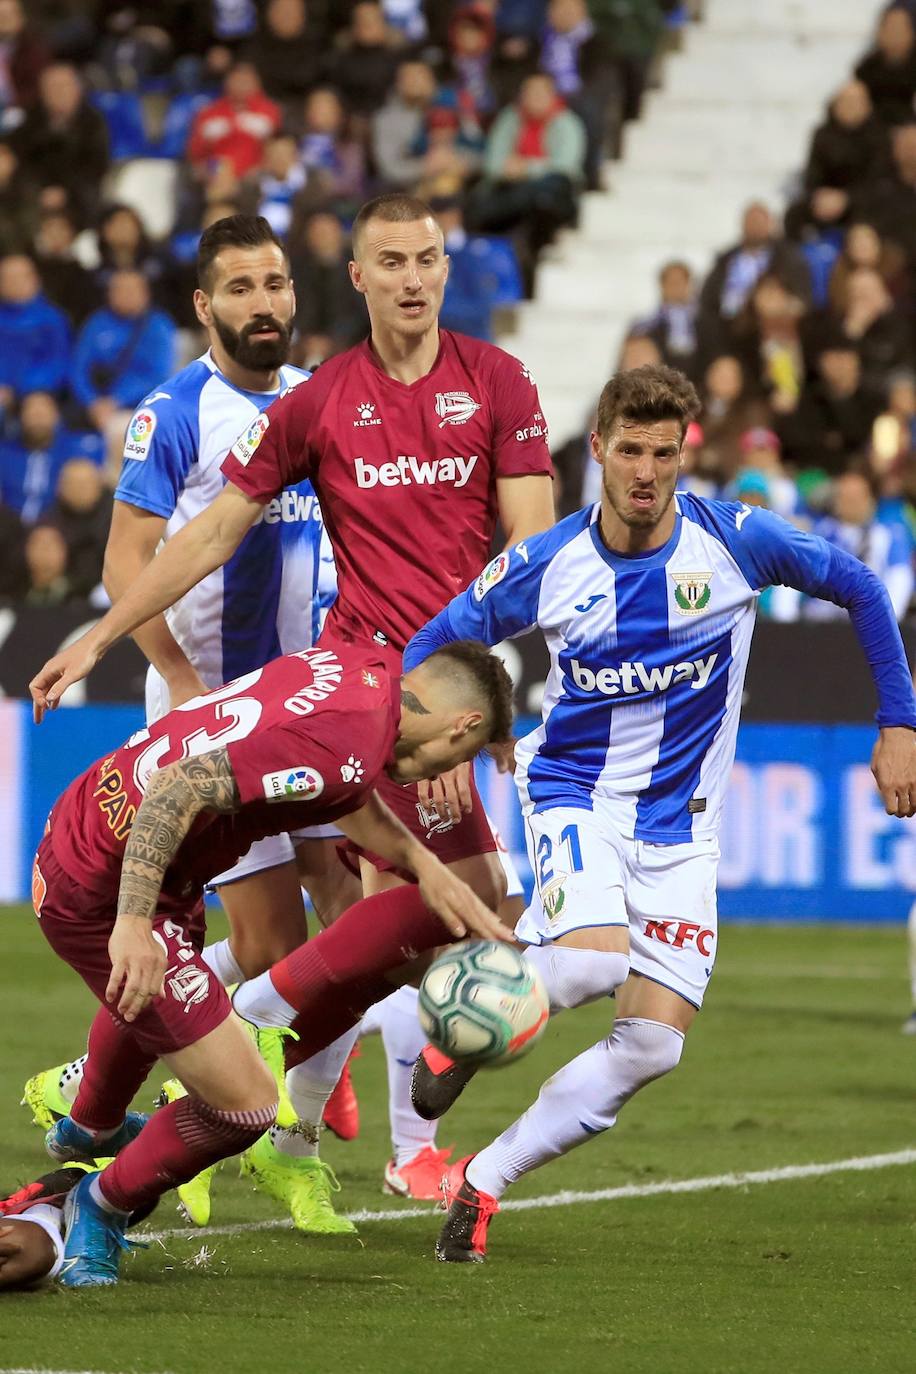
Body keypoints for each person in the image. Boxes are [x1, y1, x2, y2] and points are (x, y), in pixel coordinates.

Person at [28, 191, 556, 1214]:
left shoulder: (496, 381)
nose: (411, 277)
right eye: (389, 261)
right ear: (357, 278)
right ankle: (262, 1089)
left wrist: (483, 696)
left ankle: (231, 1102)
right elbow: (209, 533)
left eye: (428, 259)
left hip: (394, 693)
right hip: (341, 695)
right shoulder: (305, 405)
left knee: (372, 909)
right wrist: (102, 633)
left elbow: (527, 556)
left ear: (449, 269)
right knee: (435, 903)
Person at [388, 362, 916, 1262]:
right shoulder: (549, 563)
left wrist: (900, 723)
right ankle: (455, 1033)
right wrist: (436, 744)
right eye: (628, 450)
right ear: (596, 449)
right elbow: (435, 641)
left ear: (684, 455)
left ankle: (485, 1180)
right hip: (572, 796)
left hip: (683, 831)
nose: (644, 470)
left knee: (650, 1049)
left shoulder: (738, 542)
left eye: (663, 453)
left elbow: (863, 588)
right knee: (596, 964)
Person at [22, 212, 360, 1235]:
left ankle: (256, 1128)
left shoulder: (319, 399)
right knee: (268, 946)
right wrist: (177, 673)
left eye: (276, 284)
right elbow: (126, 560)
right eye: (243, 289)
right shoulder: (175, 413)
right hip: (210, 728)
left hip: (306, 705)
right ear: (206, 306)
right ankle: (206, 1101)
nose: (266, 305)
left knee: (346, 928)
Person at [32, 640, 513, 1287]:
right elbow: (180, 789)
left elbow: (343, 789)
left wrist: (423, 867)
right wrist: (132, 921)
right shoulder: (348, 751)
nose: (448, 773)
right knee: (247, 1109)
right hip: (108, 883)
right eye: (463, 758)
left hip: (91, 816)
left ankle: (89, 1128)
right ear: (464, 726)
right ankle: (98, 1204)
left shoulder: (357, 668)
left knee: (155, 999)